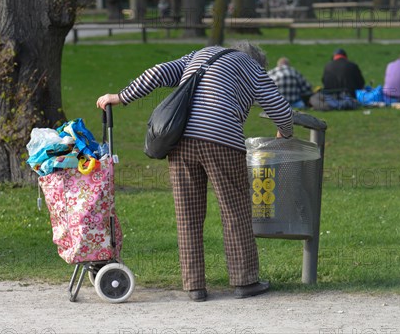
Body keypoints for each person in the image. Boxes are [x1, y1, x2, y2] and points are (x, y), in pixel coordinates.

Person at [96, 41, 293, 302]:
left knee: (187, 214)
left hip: (181, 140)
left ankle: (195, 287)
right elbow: (279, 107)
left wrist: (120, 97)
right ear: (258, 61)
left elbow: (157, 72)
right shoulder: (253, 68)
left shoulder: (199, 55)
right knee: (235, 211)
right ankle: (245, 282)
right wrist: (285, 132)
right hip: (222, 141)